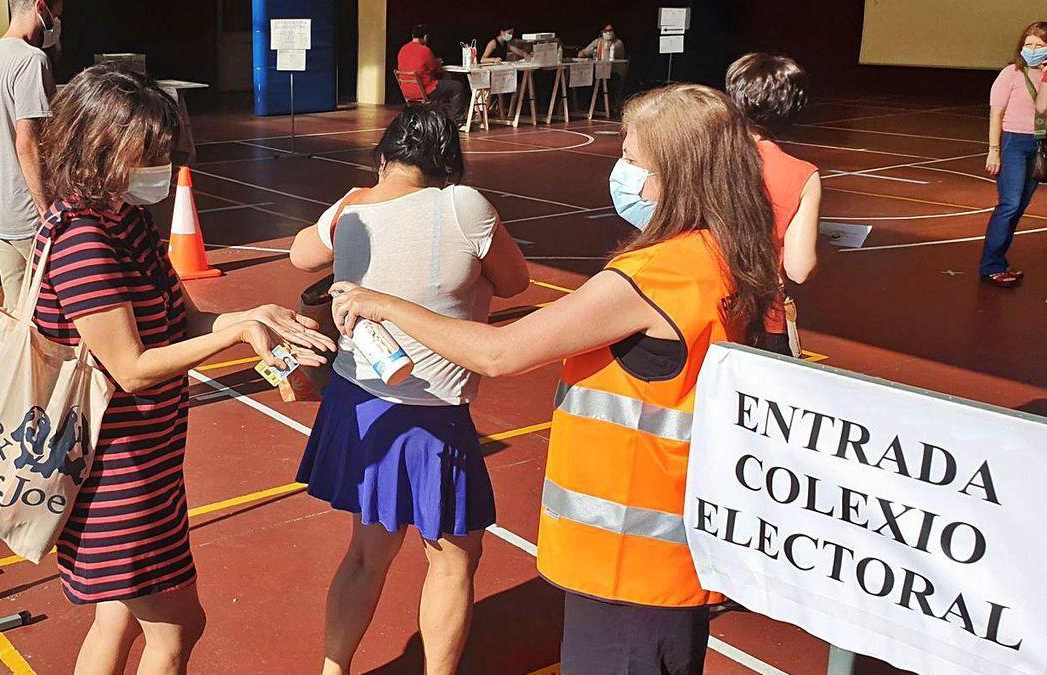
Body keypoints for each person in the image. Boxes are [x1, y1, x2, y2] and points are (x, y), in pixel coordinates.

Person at [331, 84, 779, 675]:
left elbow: (501, 352)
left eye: (633, 159)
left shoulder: (652, 276)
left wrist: (382, 304)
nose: (621, 171)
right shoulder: (726, 256)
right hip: (678, 545)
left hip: (626, 555)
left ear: (675, 174)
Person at [34, 65, 336, 674]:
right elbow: (133, 367)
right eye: (146, 153)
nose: (161, 168)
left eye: (162, 152)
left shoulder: (125, 223)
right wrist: (239, 335)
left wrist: (253, 318)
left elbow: (184, 322)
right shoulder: (84, 241)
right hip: (113, 476)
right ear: (96, 147)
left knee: (116, 617)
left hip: (149, 466)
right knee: (177, 628)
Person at [289, 105, 529, 675]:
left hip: (358, 397)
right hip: (430, 408)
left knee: (369, 551)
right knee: (453, 555)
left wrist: (346, 213)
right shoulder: (461, 204)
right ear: (447, 162)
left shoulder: (352, 206)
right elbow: (516, 281)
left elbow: (301, 255)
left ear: (384, 156)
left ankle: (334, 668)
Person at [0, 0, 62, 309]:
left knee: (17, 310)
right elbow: (28, 143)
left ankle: (14, 359)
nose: (57, 21)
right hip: (28, 217)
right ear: (41, 7)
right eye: (57, 13)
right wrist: (46, 210)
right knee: (56, 310)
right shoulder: (31, 60)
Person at [725, 52, 821, 356]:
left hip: (700, 303)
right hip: (762, 317)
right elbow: (800, 268)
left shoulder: (705, 157)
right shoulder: (803, 174)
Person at [980, 21, 1047, 287]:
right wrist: (993, 151)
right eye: (1028, 45)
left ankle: (999, 261)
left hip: (1039, 144)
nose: (1032, 49)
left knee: (1019, 207)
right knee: (1008, 205)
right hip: (1013, 144)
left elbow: (1042, 109)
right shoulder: (1010, 73)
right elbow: (996, 113)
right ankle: (991, 266)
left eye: (1039, 45)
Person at [396, 24, 468, 125]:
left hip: (407, 90)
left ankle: (441, 114)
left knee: (445, 84)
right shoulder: (425, 50)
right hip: (424, 90)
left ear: (413, 35)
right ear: (425, 37)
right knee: (458, 87)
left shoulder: (402, 49)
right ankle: (456, 121)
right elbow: (436, 70)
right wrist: (437, 62)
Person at [578, 23, 628, 109]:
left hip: (615, 71)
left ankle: (609, 107)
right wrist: (583, 53)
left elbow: (607, 53)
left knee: (609, 82)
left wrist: (604, 45)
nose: (608, 33)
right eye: (606, 31)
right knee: (587, 79)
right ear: (602, 32)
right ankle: (591, 107)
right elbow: (584, 53)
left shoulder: (618, 43)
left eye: (610, 31)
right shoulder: (598, 41)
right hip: (599, 71)